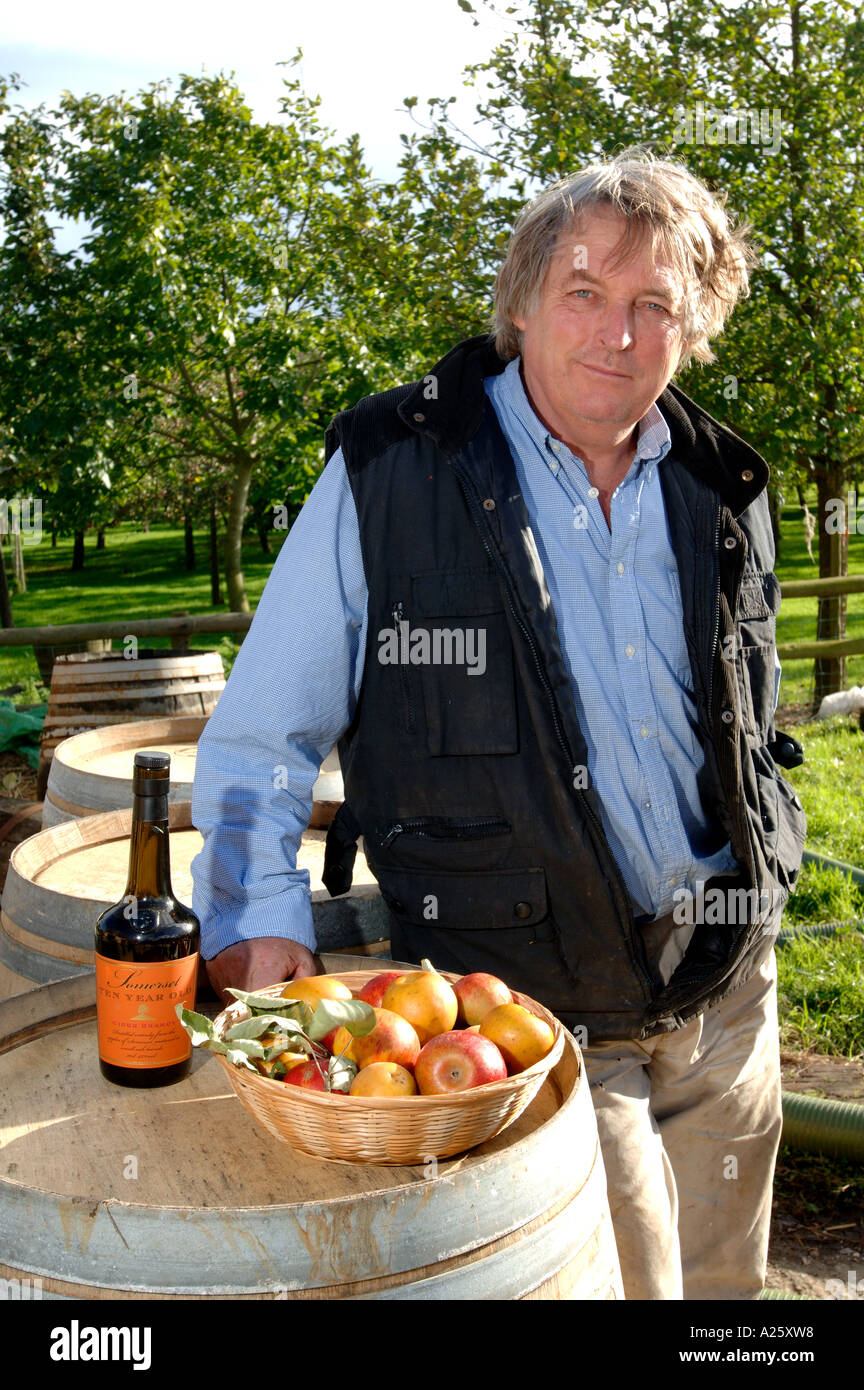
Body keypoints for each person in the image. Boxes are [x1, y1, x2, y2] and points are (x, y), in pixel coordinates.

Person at [190, 150, 807, 1300]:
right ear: (521, 302)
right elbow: (260, 735)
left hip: (729, 988)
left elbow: (744, 720)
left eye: (654, 307)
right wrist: (255, 918)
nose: (617, 335)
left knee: (730, 1297)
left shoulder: (720, 486)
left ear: (694, 328)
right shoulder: (392, 471)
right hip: (531, 1015)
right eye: (584, 292)